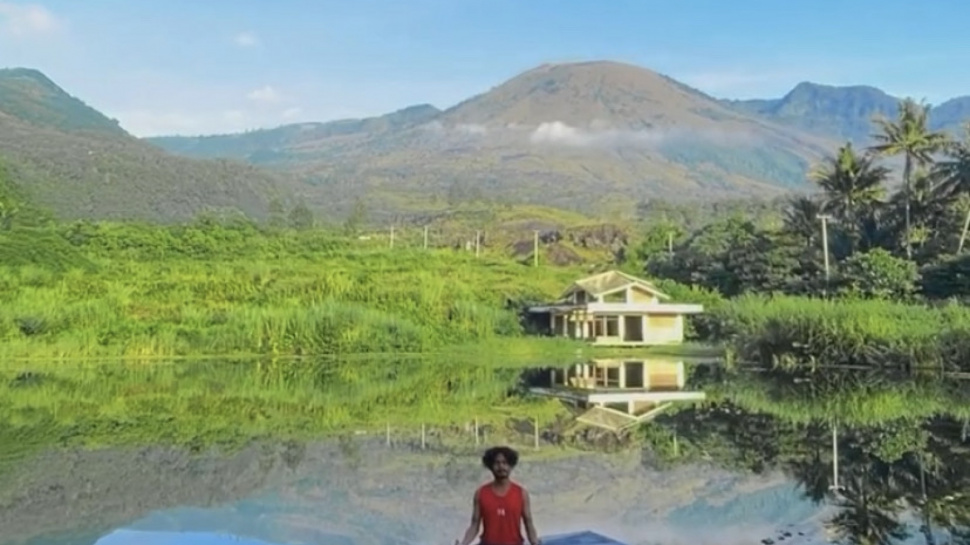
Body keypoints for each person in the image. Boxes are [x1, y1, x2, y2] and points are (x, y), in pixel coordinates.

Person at [455, 446, 540, 545]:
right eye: (497, 463)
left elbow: (528, 523)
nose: (501, 467)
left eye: (505, 463)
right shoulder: (481, 493)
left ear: (511, 466)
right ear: (491, 466)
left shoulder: (521, 493)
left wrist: (535, 542)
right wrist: (464, 543)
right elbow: (474, 525)